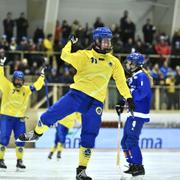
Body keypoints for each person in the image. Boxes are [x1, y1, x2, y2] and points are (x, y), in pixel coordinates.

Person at [18, 27, 134, 180]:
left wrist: (129, 98)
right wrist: (69, 43)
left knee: (90, 134)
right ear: (97, 41)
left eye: (109, 41)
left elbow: (121, 82)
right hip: (77, 95)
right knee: (50, 114)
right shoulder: (84, 56)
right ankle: (37, 133)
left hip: (96, 102)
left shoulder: (114, 62)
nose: (107, 44)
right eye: (104, 41)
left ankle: (81, 170)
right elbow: (65, 56)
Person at [0, 57, 45, 170]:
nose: (19, 82)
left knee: (21, 140)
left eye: (21, 80)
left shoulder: (26, 89)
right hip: (6, 117)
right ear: (14, 80)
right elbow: (0, 78)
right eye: (17, 80)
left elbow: (37, 86)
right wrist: (1, 65)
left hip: (19, 118)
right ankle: (1, 160)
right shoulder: (7, 86)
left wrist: (42, 76)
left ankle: (19, 161)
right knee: (4, 139)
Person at [117, 52, 152, 177]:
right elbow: (128, 95)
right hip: (132, 113)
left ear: (137, 64)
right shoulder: (133, 77)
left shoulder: (141, 76)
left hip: (139, 113)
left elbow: (142, 93)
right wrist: (121, 103)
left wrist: (129, 91)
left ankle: (138, 166)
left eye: (130, 62)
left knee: (131, 140)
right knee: (125, 141)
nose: (128, 64)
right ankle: (132, 163)